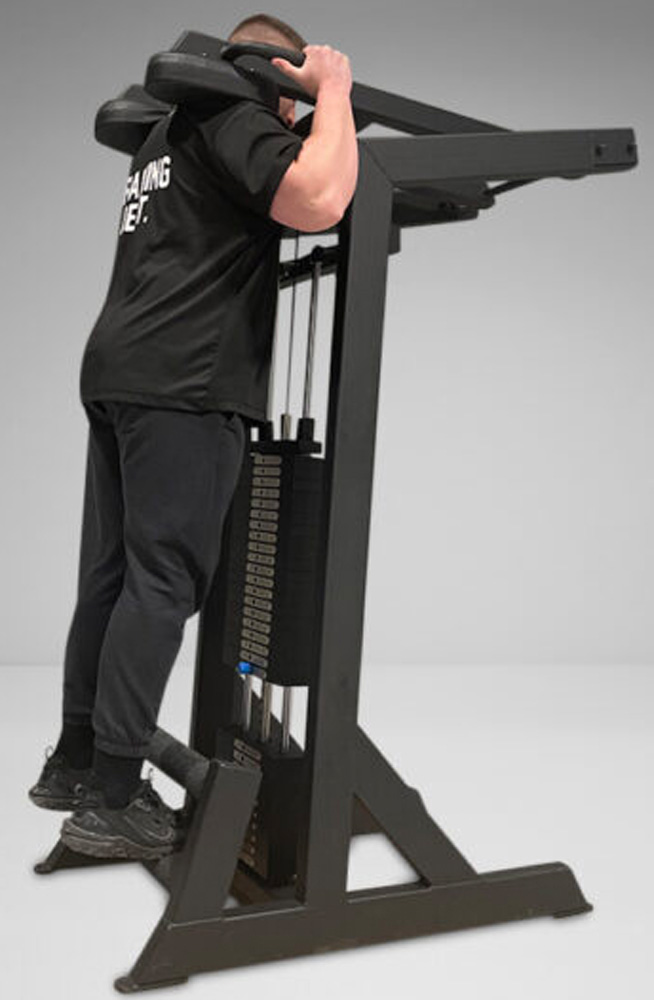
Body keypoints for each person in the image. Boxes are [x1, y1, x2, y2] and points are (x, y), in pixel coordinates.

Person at [28, 13, 359, 861]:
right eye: (291, 102)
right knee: (163, 579)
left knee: (115, 576)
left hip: (122, 370)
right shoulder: (235, 113)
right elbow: (320, 198)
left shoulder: (165, 136)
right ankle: (112, 798)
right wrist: (334, 89)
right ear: (275, 77)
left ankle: (77, 759)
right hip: (184, 380)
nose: (292, 122)